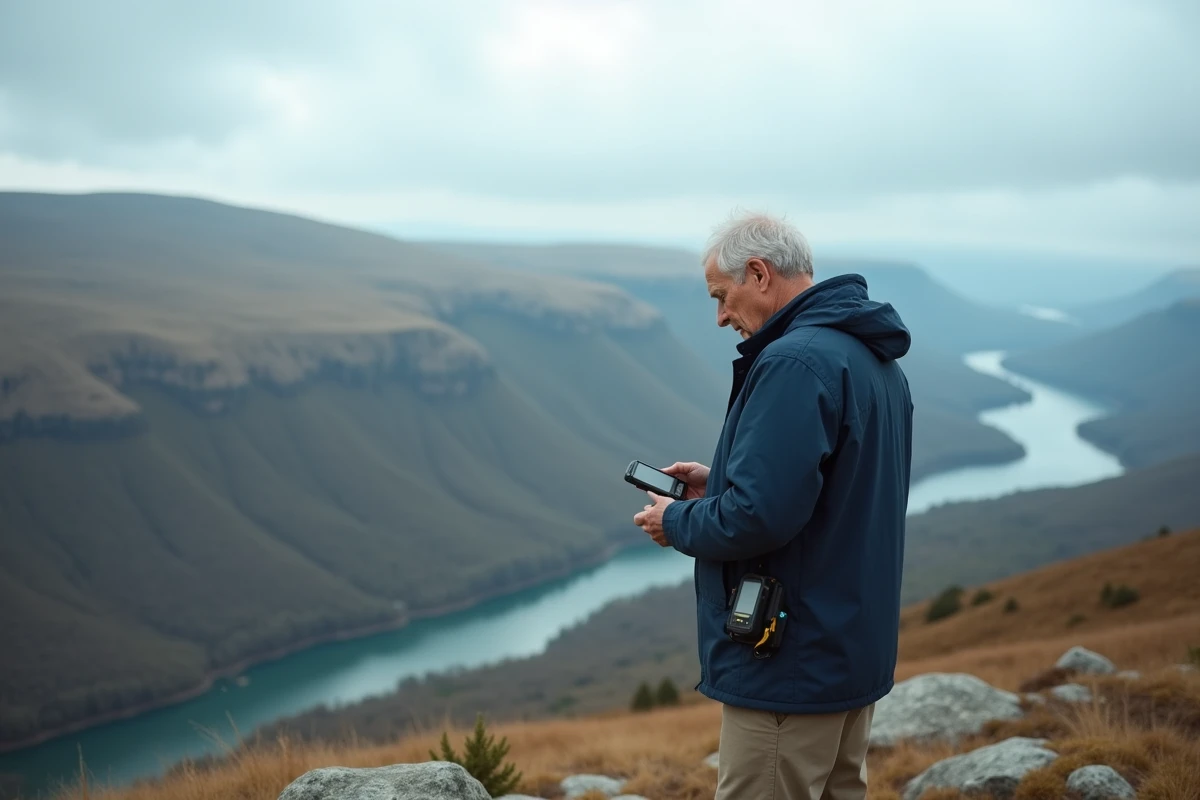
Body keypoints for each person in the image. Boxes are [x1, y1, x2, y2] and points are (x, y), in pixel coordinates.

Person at [634, 212, 913, 800]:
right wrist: (726, 480)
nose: (720, 317)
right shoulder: (868, 357)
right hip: (847, 653)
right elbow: (837, 492)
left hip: (789, 667)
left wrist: (675, 519)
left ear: (758, 274)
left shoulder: (794, 361)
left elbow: (754, 519)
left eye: (721, 296)